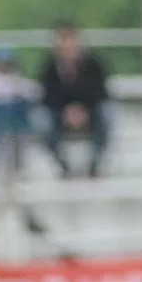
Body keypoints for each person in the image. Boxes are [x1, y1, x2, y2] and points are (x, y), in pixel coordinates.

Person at [39, 22, 110, 177]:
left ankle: (95, 164)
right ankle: (63, 165)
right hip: (60, 112)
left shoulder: (94, 63)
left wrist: (82, 110)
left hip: (90, 109)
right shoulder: (50, 67)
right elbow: (47, 95)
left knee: (106, 114)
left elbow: (100, 90)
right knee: (42, 122)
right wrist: (66, 111)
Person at [0, 46, 35, 178]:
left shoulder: (18, 79)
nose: (4, 66)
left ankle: (19, 165)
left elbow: (33, 92)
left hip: (15, 121)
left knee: (16, 109)